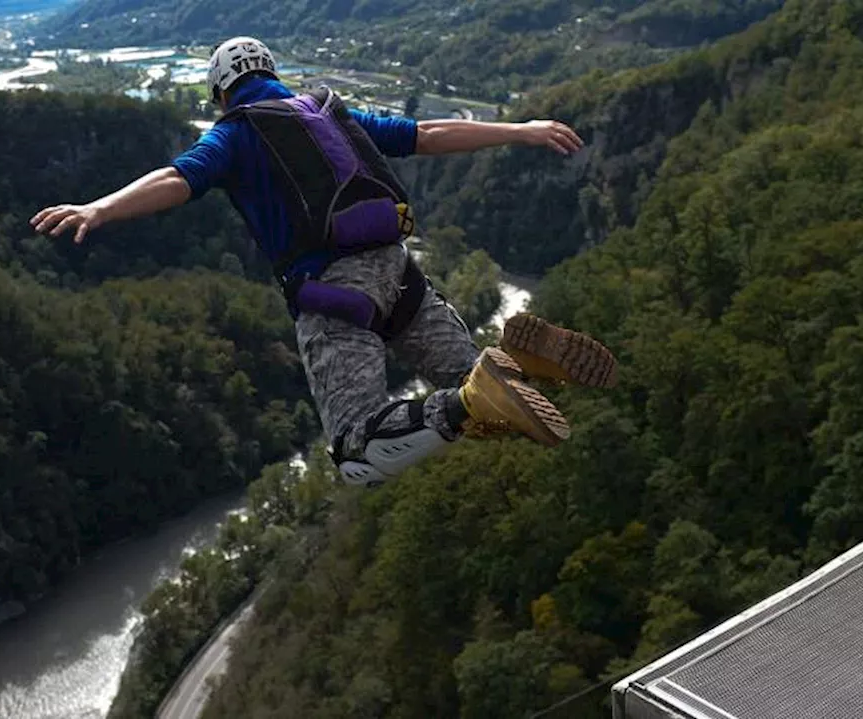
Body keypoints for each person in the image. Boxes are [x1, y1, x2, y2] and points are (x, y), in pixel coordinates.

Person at [30, 36, 619, 487]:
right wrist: (522, 129)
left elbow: (178, 178)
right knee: (477, 389)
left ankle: (473, 396)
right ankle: (507, 365)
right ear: (272, 73)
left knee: (359, 452)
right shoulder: (327, 112)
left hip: (336, 295)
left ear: (220, 92)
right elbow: (430, 133)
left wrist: (100, 208)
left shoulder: (236, 133)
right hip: (400, 271)